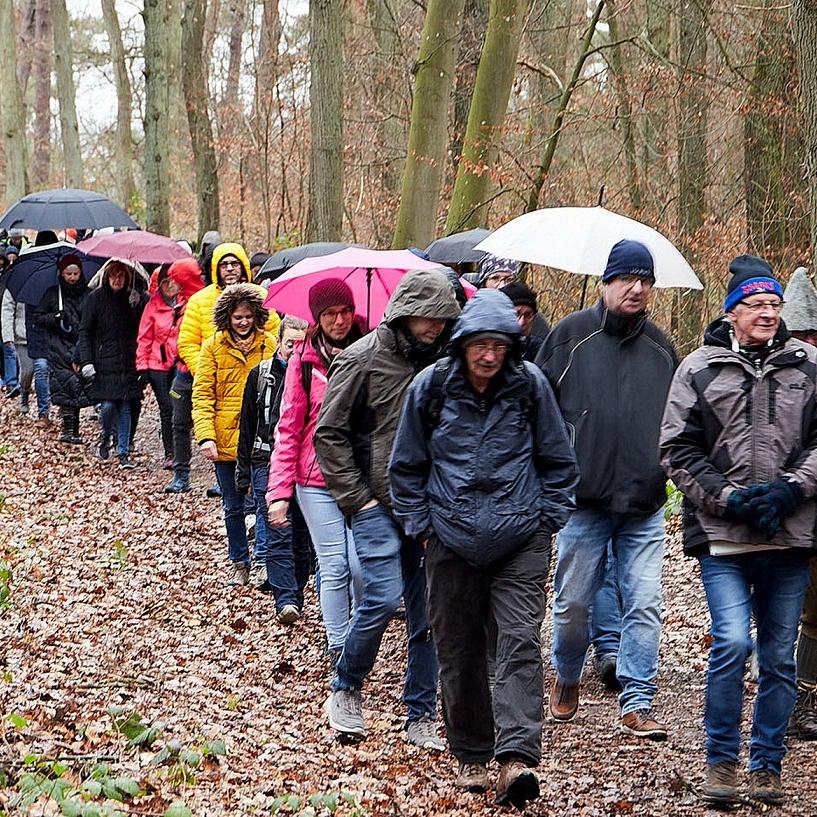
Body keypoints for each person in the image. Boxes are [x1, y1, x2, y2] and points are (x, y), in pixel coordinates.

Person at [389, 289, 578, 807]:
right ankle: (472, 754)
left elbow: (559, 462)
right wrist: (422, 525)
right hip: (448, 537)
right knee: (459, 646)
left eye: (499, 344)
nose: (489, 355)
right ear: (463, 343)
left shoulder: (530, 386)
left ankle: (515, 756)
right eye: (480, 344)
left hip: (520, 536)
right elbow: (405, 466)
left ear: (512, 346)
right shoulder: (430, 388)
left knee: (517, 640)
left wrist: (546, 523)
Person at [660, 255, 817, 806]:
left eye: (775, 305)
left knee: (779, 655)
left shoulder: (809, 367)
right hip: (723, 535)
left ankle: (767, 765)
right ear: (732, 313)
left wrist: (791, 489)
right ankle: (721, 761)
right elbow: (677, 448)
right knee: (729, 642)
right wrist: (728, 498)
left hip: (790, 535)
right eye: (757, 305)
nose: (769, 313)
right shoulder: (697, 368)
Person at [314, 268, 461, 749]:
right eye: (429, 317)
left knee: (430, 615)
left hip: (431, 506)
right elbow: (328, 434)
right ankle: (346, 686)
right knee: (380, 595)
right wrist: (358, 499)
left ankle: (420, 713)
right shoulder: (361, 359)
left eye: (444, 318)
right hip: (374, 501)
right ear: (406, 313)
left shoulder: (445, 363)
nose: (437, 326)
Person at [538, 239, 677, 739]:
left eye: (646, 280)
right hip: (583, 501)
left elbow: (678, 424)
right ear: (606, 282)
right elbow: (540, 412)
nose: (637, 288)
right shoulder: (567, 337)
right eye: (627, 279)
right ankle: (569, 674)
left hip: (644, 503)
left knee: (643, 601)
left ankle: (637, 700)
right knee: (573, 602)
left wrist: (666, 469)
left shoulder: (663, 349)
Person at [266, 280, 364, 631]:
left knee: (361, 566)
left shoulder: (372, 353)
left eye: (346, 312)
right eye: (330, 314)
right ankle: (340, 644)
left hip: (361, 477)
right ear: (317, 319)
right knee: (335, 564)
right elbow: (289, 428)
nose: (340, 320)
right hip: (315, 479)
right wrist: (278, 493)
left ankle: (358, 632)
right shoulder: (303, 362)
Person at [175, 242, 279, 494]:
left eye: (235, 263)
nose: (230, 269)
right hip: (214, 376)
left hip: (255, 376)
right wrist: (207, 369)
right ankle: (191, 473)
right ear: (215, 269)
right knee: (185, 420)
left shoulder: (261, 297)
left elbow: (273, 328)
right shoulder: (200, 300)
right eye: (224, 265)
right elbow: (187, 341)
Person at [192, 283, 276, 586]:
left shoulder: (270, 344)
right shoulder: (213, 346)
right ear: (227, 317)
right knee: (233, 504)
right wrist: (206, 436)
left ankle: (264, 560)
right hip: (226, 439)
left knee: (265, 500)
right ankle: (239, 560)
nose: (243, 322)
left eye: (248, 316)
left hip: (261, 437)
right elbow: (202, 394)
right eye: (237, 317)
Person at [236, 315, 310, 609]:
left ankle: (297, 589)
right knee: (279, 528)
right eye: (290, 343)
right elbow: (247, 424)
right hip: (265, 459)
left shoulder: (311, 372)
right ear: (278, 342)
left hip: (302, 463)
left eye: (300, 344)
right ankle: (285, 598)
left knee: (302, 536)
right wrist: (243, 474)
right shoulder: (261, 375)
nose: (294, 349)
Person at [777, 267, 817, 742]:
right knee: (790, 608)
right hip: (787, 511)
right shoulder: (775, 375)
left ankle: (805, 697)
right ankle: (793, 697)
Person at [77, 258, 146, 469]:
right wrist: (86, 360)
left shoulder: (132, 299)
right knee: (107, 406)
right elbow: (85, 332)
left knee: (125, 406)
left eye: (122, 275)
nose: (118, 279)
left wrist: (137, 305)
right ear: (107, 276)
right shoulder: (95, 299)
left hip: (127, 361)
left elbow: (140, 329)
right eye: (114, 274)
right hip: (103, 361)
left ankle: (123, 452)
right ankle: (106, 435)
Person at [160, 258, 206, 492]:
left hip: (202, 372)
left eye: (175, 279)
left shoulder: (203, 304)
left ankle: (223, 477)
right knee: (179, 423)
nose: (171, 284)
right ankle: (181, 474)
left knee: (214, 425)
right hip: (182, 373)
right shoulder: (180, 304)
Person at [136, 265, 188, 468]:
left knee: (179, 406)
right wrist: (142, 368)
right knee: (167, 408)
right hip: (157, 366)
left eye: (174, 281)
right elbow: (144, 338)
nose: (170, 286)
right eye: (166, 282)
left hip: (181, 364)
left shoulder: (187, 304)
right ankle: (171, 453)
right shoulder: (152, 306)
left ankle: (180, 450)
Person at [36, 254, 91, 442]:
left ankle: (74, 428)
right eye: (69, 273)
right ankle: (68, 428)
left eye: (76, 273)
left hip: (79, 345)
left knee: (77, 385)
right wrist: (54, 318)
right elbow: (39, 317)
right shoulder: (52, 294)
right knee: (64, 387)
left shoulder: (88, 293)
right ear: (62, 273)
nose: (73, 277)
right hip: (58, 347)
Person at [500, 281, 548, 362]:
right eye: (515, 314)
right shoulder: (491, 350)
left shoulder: (541, 350)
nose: (521, 322)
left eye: (528, 315)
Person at [1, 285, 31, 412]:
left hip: (41, 335)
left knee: (42, 369)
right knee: (27, 370)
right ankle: (22, 390)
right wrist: (8, 336)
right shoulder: (14, 287)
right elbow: (7, 311)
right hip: (21, 336)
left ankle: (44, 410)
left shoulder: (46, 286)